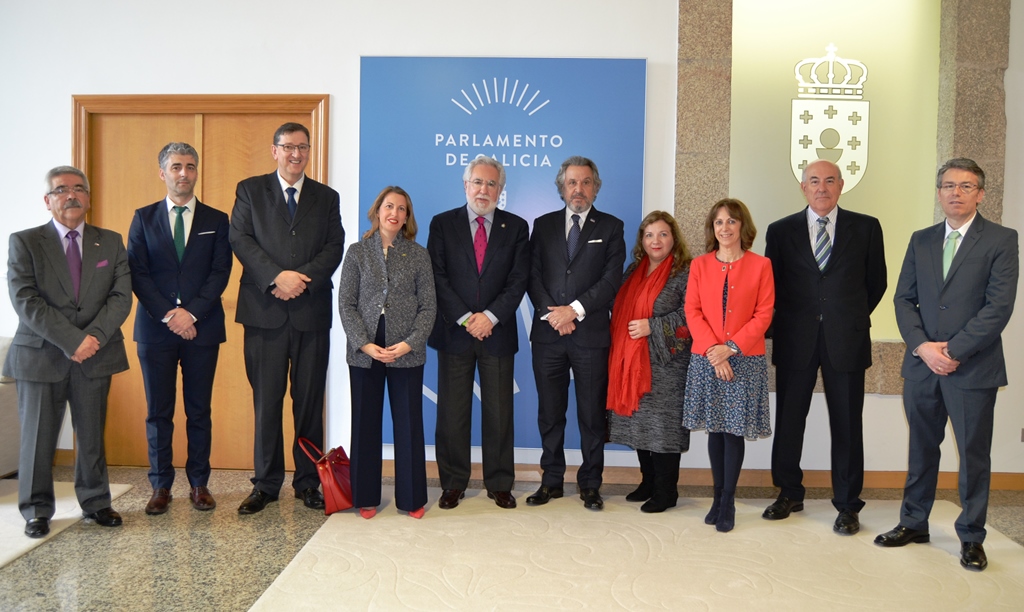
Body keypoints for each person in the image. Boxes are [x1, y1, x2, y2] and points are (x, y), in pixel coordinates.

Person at [875, 158, 1019, 572]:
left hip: (972, 369)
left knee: (973, 455)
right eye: (949, 185)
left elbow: (998, 308)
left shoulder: (1001, 239)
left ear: (981, 194)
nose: (956, 192)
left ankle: (972, 537)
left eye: (966, 186)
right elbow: (904, 299)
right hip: (922, 366)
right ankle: (913, 522)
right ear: (938, 192)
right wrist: (923, 348)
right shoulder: (921, 239)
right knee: (921, 447)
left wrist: (951, 351)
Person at [5, 166, 132, 538]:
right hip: (41, 355)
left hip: (97, 353)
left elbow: (120, 297)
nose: (71, 195)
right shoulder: (25, 242)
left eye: (79, 189)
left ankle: (95, 503)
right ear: (48, 200)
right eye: (61, 190)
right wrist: (71, 340)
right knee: (38, 438)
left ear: (89, 198)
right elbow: (24, 299)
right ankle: (36, 510)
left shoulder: (109, 241)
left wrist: (91, 337)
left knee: (92, 434)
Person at [762, 158, 887, 535]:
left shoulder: (866, 228)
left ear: (841, 185)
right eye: (814, 181)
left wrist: (844, 318)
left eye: (829, 180)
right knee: (789, 420)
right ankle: (789, 491)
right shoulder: (780, 231)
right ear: (803, 187)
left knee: (847, 423)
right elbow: (773, 287)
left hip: (845, 340)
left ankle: (848, 504)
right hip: (795, 339)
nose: (822, 187)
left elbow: (876, 282)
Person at [229, 122, 345, 515]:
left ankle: (308, 481)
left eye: (303, 147)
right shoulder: (250, 190)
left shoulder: (326, 197)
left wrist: (302, 281)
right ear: (274, 150)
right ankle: (265, 484)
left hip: (311, 313)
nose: (296, 154)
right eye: (288, 147)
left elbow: (334, 245)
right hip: (264, 312)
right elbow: (240, 238)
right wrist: (276, 277)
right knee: (267, 402)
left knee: (309, 402)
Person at [127, 142, 232, 515]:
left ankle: (199, 484)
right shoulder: (142, 218)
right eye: (175, 167)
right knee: (158, 412)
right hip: (155, 331)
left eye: (189, 166)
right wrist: (171, 316)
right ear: (163, 173)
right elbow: (137, 273)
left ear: (196, 172)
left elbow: (221, 272)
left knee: (199, 410)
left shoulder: (217, 220)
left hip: (202, 330)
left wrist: (191, 314)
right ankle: (160, 486)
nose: (183, 173)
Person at [427, 156, 530, 510]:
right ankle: (453, 483)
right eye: (477, 182)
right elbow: (437, 277)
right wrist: (466, 318)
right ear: (465, 185)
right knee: (452, 414)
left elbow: (519, 281)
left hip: (497, 332)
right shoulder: (442, 224)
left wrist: (489, 316)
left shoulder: (516, 228)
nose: (483, 190)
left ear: (500, 190)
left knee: (499, 413)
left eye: (491, 184)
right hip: (455, 332)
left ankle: (500, 482)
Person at [526, 155, 625, 511]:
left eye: (585, 182)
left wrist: (575, 311)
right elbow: (532, 276)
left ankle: (590, 484)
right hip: (549, 337)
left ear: (595, 188)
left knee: (590, 416)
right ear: (561, 187)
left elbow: (611, 280)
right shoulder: (543, 224)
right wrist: (554, 316)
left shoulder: (612, 227)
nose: (578, 189)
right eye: (571, 182)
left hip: (590, 337)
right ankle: (551, 481)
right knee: (550, 414)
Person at [339, 186, 436, 519]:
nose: (394, 213)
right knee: (365, 423)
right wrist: (364, 344)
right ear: (377, 210)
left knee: (409, 425)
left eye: (402, 209)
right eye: (389, 206)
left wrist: (410, 343)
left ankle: (412, 499)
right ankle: (365, 497)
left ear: (407, 217)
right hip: (365, 349)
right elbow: (346, 304)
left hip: (405, 349)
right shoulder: (357, 252)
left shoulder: (418, 255)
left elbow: (428, 307)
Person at [682, 198, 774, 532]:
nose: (725, 228)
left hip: (743, 360)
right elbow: (692, 311)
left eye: (732, 221)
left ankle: (729, 501)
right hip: (707, 359)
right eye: (719, 222)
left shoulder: (761, 265)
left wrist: (730, 349)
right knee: (715, 430)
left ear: (742, 227)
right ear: (713, 228)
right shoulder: (700, 266)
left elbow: (764, 314)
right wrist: (714, 352)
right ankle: (717, 497)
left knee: (733, 432)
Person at [607, 211, 693, 514]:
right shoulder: (633, 270)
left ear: (674, 238)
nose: (655, 241)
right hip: (631, 363)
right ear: (641, 241)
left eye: (663, 234)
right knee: (640, 426)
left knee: (663, 429)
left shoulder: (686, 272)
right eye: (649, 235)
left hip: (666, 364)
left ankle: (667, 491)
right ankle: (648, 482)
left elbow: (693, 316)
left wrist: (653, 327)